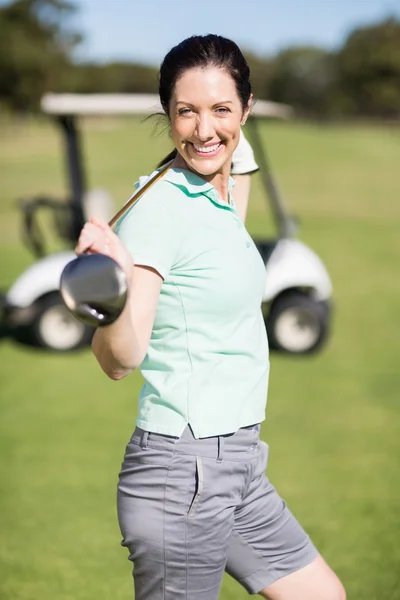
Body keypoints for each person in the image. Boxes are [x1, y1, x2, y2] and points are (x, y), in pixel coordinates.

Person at [75, 34, 345, 600]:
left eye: (222, 109)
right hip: (185, 474)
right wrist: (113, 282)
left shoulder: (218, 199)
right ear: (167, 115)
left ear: (246, 109)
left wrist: (230, 139)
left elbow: (231, 162)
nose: (204, 130)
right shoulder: (158, 212)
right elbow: (119, 360)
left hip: (238, 466)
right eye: (186, 112)